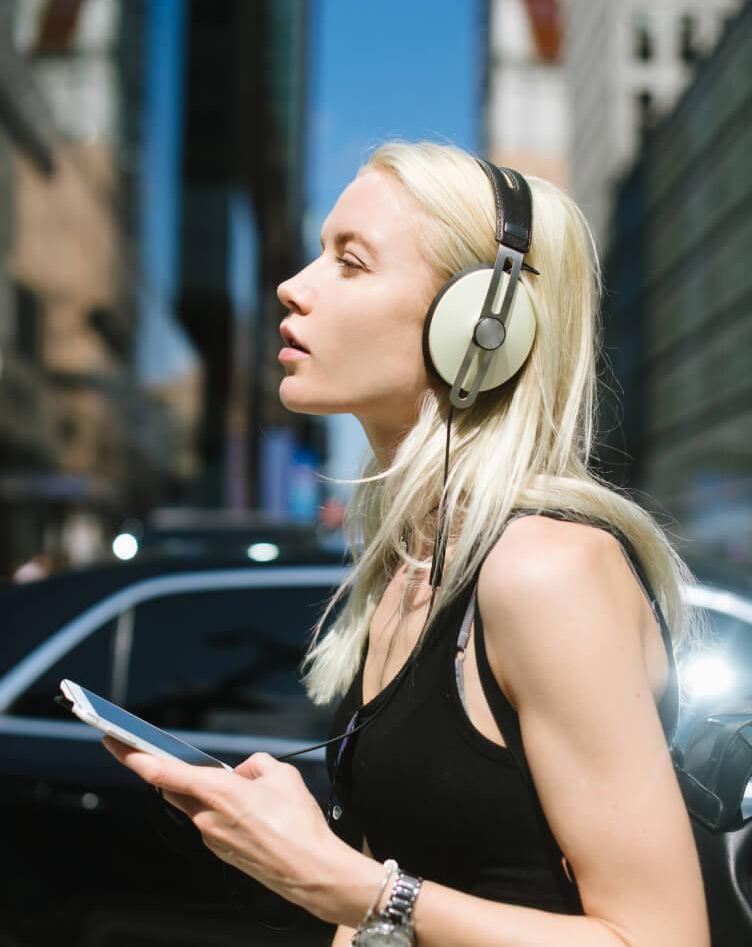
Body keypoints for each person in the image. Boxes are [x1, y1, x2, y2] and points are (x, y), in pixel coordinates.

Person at [104, 141, 710, 946]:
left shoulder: (546, 571)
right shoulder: (403, 574)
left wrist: (348, 886)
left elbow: (662, 938)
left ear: (481, 329)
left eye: (350, 264)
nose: (292, 286)